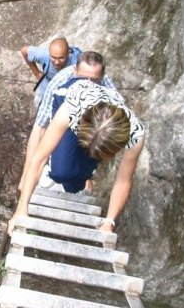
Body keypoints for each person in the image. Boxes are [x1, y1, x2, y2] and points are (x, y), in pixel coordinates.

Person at [8, 78, 145, 235]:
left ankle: (81, 180)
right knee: (60, 171)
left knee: (79, 180)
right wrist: (22, 207)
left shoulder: (136, 135)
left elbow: (123, 180)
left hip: (96, 119)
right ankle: (54, 171)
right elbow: (39, 157)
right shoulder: (71, 109)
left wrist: (109, 222)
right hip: (71, 98)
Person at [19, 51, 117, 192]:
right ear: (75, 71)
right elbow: (39, 127)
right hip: (65, 123)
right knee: (61, 173)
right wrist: (26, 175)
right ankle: (54, 168)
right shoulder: (60, 84)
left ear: (101, 77)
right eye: (83, 78)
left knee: (75, 184)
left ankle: (80, 177)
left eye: (94, 80)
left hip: (91, 126)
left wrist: (87, 172)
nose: (87, 85)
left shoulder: (107, 87)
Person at [21, 37, 82, 109]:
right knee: (39, 106)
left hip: (67, 91)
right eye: (53, 58)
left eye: (61, 58)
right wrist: (36, 73)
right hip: (47, 85)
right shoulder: (44, 55)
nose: (57, 62)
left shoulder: (78, 63)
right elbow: (24, 51)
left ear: (68, 53)